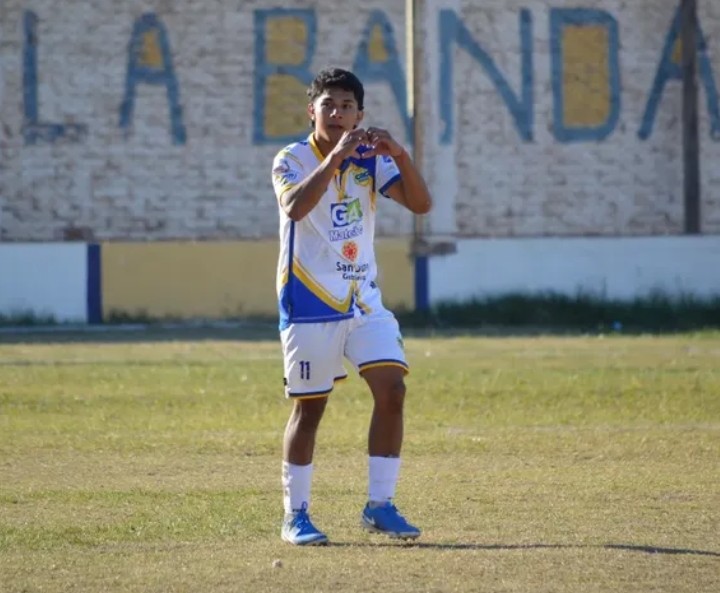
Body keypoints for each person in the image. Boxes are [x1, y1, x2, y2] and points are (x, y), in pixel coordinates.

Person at [271, 67, 433, 546]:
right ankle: (296, 515)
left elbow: (421, 204)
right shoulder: (291, 158)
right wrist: (336, 157)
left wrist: (399, 155)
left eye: (347, 106)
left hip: (363, 298)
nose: (337, 113)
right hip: (310, 302)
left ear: (360, 115)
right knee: (310, 410)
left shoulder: (370, 159)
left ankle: (379, 506)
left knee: (393, 390)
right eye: (329, 105)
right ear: (312, 111)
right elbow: (296, 207)